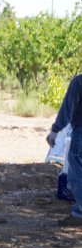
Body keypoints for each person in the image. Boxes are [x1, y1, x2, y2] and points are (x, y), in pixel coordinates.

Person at [47, 76, 82, 226]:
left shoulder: (79, 82)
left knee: (78, 173)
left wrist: (55, 129)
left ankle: (79, 213)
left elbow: (68, 107)